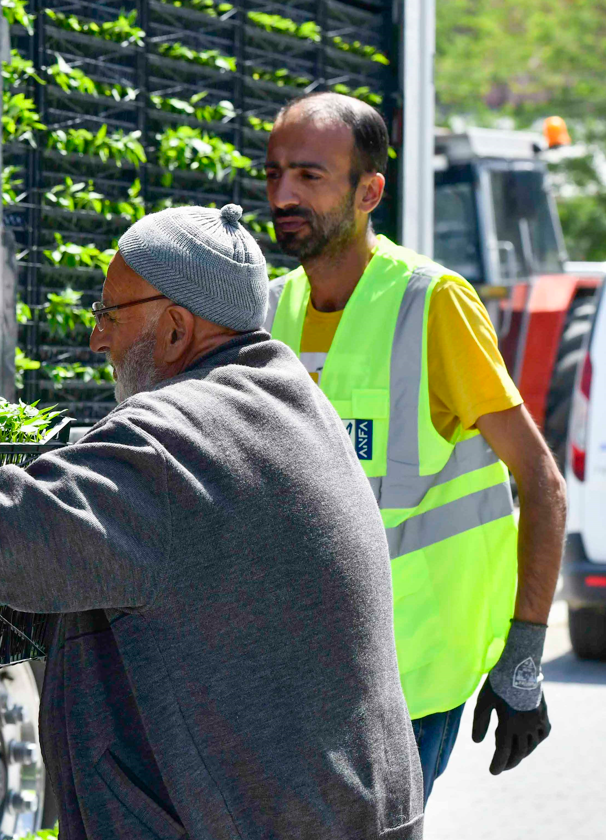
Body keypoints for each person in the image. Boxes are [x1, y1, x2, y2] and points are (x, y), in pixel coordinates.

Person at [0, 204, 425, 838]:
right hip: (344, 809)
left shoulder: (175, 442)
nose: (95, 335)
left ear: (175, 328)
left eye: (109, 312)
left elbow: (12, 529)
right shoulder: (286, 404)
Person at [262, 91, 565, 800]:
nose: (282, 194)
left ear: (369, 191)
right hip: (299, 676)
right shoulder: (270, 309)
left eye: (309, 176)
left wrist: (521, 659)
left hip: (412, 675)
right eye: (273, 173)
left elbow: (540, 481)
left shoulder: (433, 304)